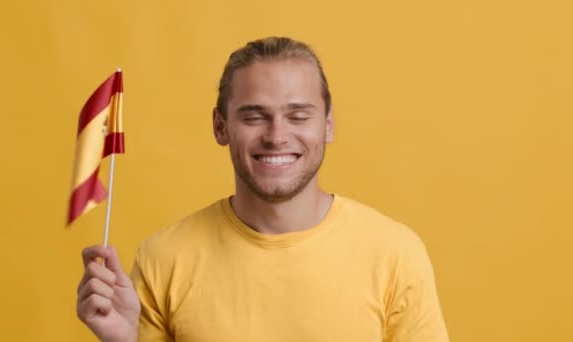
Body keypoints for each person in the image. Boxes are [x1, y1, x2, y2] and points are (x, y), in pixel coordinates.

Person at [77, 37, 449, 342]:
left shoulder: (395, 254)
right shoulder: (164, 258)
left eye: (298, 116)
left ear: (328, 125)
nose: (276, 136)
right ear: (220, 127)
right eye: (254, 116)